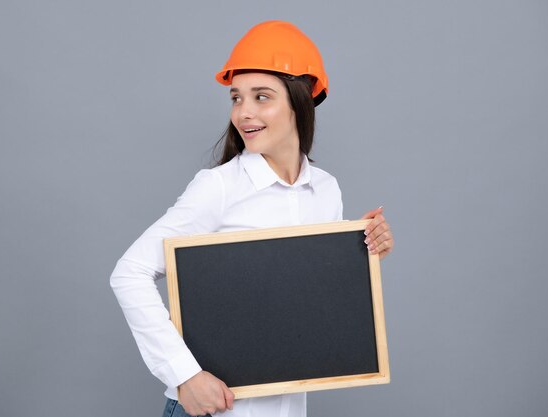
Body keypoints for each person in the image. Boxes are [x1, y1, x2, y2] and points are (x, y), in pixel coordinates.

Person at [110, 20, 394, 417]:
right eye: (237, 98)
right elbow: (130, 273)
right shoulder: (219, 187)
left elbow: (305, 293)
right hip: (216, 411)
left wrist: (362, 255)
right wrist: (184, 375)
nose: (244, 113)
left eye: (262, 97)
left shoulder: (326, 189)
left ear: (300, 101)